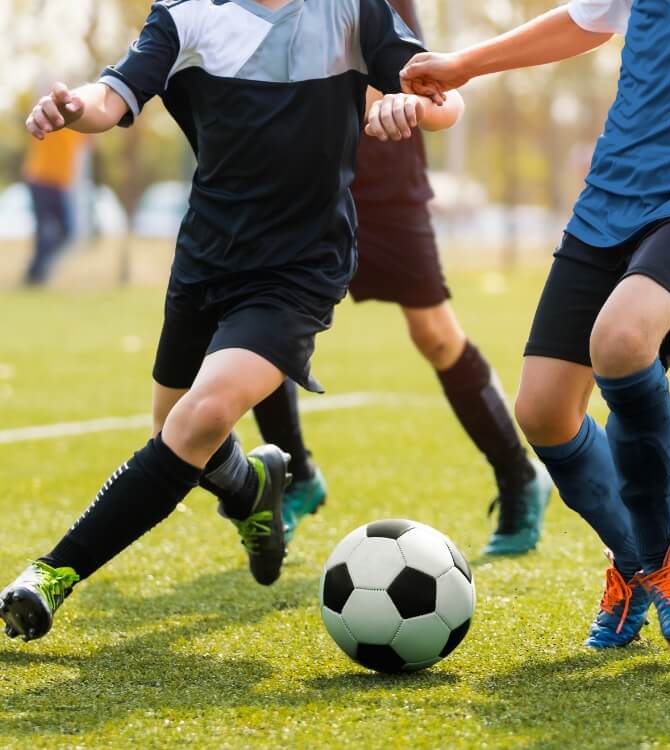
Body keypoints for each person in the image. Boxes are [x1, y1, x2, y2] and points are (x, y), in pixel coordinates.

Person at [0, 0, 463, 643]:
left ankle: (50, 574)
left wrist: (413, 105)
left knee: (200, 418)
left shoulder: (353, 11)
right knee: (174, 431)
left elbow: (445, 98)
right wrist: (75, 109)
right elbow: (113, 94)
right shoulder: (187, 15)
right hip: (206, 259)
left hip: (301, 268)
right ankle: (252, 489)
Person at [401, 0, 670, 649]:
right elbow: (587, 20)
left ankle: (668, 568)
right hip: (612, 195)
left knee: (622, 340)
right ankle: (643, 557)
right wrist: (463, 64)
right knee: (542, 410)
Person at [252, 0, 553, 557]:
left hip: (386, 168)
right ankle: (296, 475)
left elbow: (412, 67)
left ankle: (518, 474)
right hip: (300, 173)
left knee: (434, 334)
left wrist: (392, 96)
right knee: (265, 322)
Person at [22, 126, 86, 285]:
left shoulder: (81, 122)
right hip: (41, 177)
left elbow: (86, 144)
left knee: (66, 231)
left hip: (60, 182)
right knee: (46, 229)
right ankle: (36, 274)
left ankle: (37, 271)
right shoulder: (51, 116)